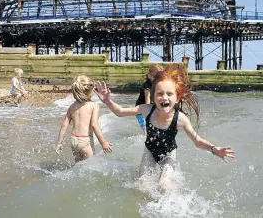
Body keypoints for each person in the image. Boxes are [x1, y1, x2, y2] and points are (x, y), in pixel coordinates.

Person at [95, 65, 235, 193]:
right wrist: (107, 100)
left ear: (177, 97)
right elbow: (120, 112)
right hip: (150, 151)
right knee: (142, 186)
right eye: (160, 94)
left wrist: (214, 149)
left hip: (169, 155)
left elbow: (197, 141)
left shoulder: (180, 119)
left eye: (169, 94)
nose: (164, 97)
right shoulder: (146, 110)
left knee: (164, 186)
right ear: (153, 96)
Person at [55, 75, 112, 163]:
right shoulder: (94, 105)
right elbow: (94, 125)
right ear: (91, 90)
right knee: (90, 166)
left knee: (78, 166)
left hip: (74, 140)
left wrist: (59, 142)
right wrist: (103, 142)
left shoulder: (72, 106)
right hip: (85, 140)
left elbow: (64, 125)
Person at [135, 64, 164, 132]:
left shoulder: (156, 84)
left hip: (150, 106)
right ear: (149, 75)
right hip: (140, 108)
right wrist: (148, 114)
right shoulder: (147, 86)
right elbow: (147, 100)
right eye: (156, 76)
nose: (159, 78)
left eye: (160, 76)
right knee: (145, 128)